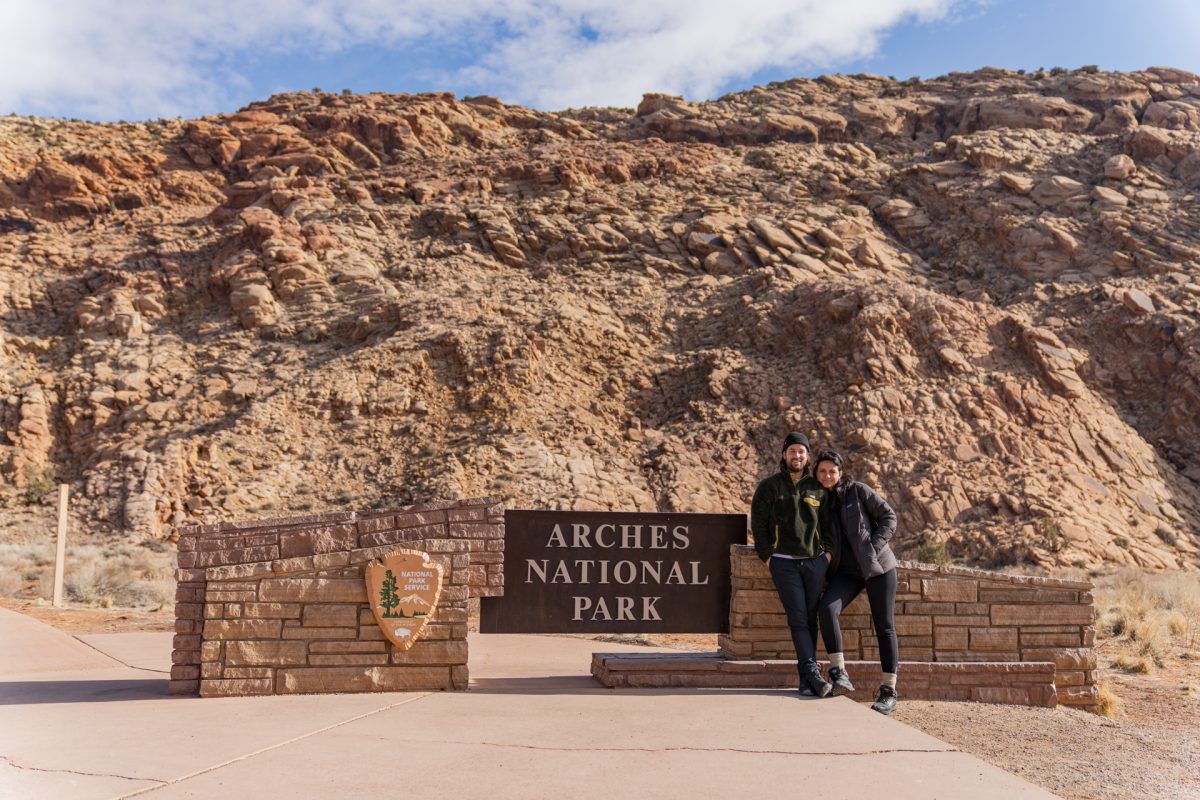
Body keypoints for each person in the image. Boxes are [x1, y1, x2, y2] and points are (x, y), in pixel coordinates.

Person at [813, 450, 900, 714]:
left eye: (832, 471)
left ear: (840, 472)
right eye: (822, 471)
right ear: (816, 474)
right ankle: (839, 674)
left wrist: (871, 549)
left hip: (878, 568)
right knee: (826, 609)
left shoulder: (858, 491)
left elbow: (889, 518)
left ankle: (889, 691)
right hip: (847, 573)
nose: (828, 476)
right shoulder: (819, 503)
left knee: (884, 626)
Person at [750, 431, 833, 697]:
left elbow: (829, 527)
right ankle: (813, 674)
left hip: (813, 563)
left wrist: (826, 557)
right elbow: (758, 525)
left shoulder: (817, 488)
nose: (796, 455)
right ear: (784, 455)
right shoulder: (769, 486)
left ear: (807, 456)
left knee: (810, 618)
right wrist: (768, 558)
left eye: (801, 451)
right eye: (792, 451)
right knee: (798, 619)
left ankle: (805, 681)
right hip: (784, 564)